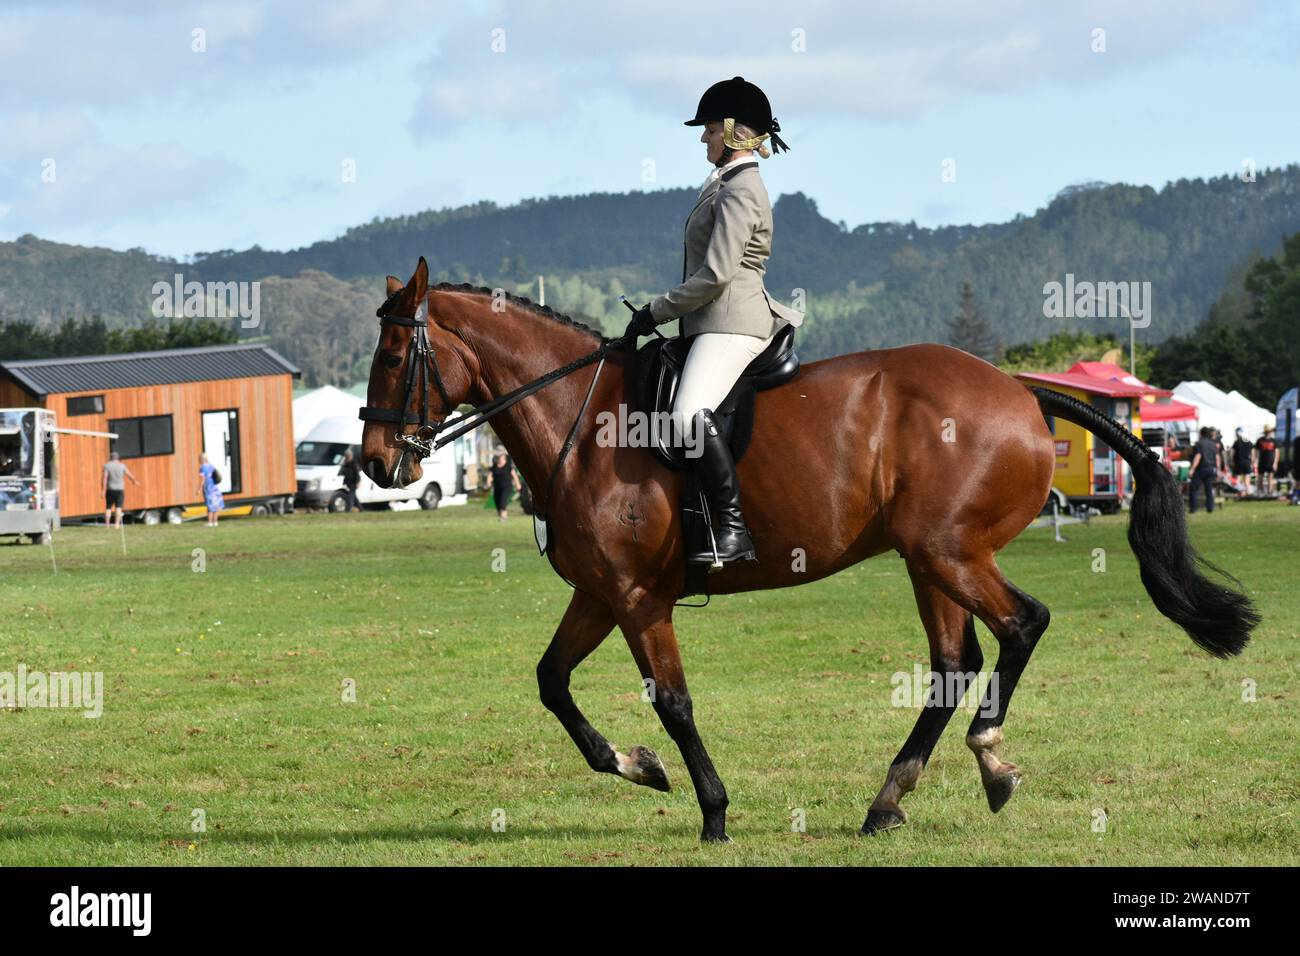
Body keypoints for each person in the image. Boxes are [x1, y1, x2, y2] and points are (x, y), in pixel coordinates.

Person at [618, 76, 802, 567]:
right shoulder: (724, 184)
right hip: (708, 323)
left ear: (735, 132)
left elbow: (717, 274)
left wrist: (655, 310)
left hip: (732, 322)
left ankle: (733, 528)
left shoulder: (741, 189)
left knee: (686, 416)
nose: (703, 138)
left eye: (709, 130)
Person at [1188, 426, 1223, 513]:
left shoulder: (1199, 443)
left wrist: (1192, 469)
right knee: (1209, 489)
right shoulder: (1213, 444)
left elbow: (1198, 456)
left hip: (1201, 469)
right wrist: (1218, 470)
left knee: (1193, 488)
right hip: (1211, 469)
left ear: (1201, 433)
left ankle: (1193, 508)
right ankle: (1210, 508)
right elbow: (1217, 457)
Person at [101, 451, 140, 528]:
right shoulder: (122, 466)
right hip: (120, 489)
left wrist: (103, 490)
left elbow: (104, 478)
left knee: (108, 507)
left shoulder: (107, 466)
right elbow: (129, 474)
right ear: (118, 458)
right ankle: (117, 524)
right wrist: (134, 481)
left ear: (110, 458)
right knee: (118, 507)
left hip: (110, 489)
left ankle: (107, 525)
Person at [488, 448, 521, 522]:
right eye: (499, 457)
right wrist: (488, 483)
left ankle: (504, 518)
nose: (500, 458)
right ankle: (502, 517)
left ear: (504, 457)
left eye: (501, 457)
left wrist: (518, 484)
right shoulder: (494, 466)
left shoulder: (508, 466)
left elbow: (514, 475)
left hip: (507, 487)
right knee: (498, 503)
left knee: (503, 501)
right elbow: (490, 475)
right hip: (497, 488)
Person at [198, 453, 225, 526]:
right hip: (215, 487)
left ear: (201, 459)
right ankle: (215, 522)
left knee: (209, 505)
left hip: (208, 488)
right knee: (215, 505)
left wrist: (199, 489)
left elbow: (202, 480)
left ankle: (210, 522)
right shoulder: (211, 466)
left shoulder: (202, 468)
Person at [1255, 425, 1278, 497]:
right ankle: (1260, 492)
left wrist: (1275, 463)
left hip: (1270, 462)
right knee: (1260, 477)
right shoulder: (1260, 440)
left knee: (1270, 477)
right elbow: (1257, 452)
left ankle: (1269, 492)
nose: (1269, 433)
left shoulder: (1273, 441)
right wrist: (1256, 461)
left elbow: (1277, 452)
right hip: (1261, 462)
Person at [337, 448, 362, 512]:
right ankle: (361, 509)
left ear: (350, 455)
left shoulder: (353, 463)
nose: (346, 457)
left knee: (350, 497)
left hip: (353, 482)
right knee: (354, 497)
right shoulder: (346, 463)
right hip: (349, 482)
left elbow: (357, 473)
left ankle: (348, 510)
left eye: (347, 456)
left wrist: (358, 482)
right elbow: (343, 472)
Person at [1230, 427, 1254, 493]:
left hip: (1238, 462)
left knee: (1238, 478)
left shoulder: (1236, 442)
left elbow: (1232, 453)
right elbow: (1252, 453)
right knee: (1247, 477)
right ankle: (1247, 491)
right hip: (1247, 462)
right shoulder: (1249, 442)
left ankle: (1240, 492)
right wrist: (1252, 462)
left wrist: (1232, 461)